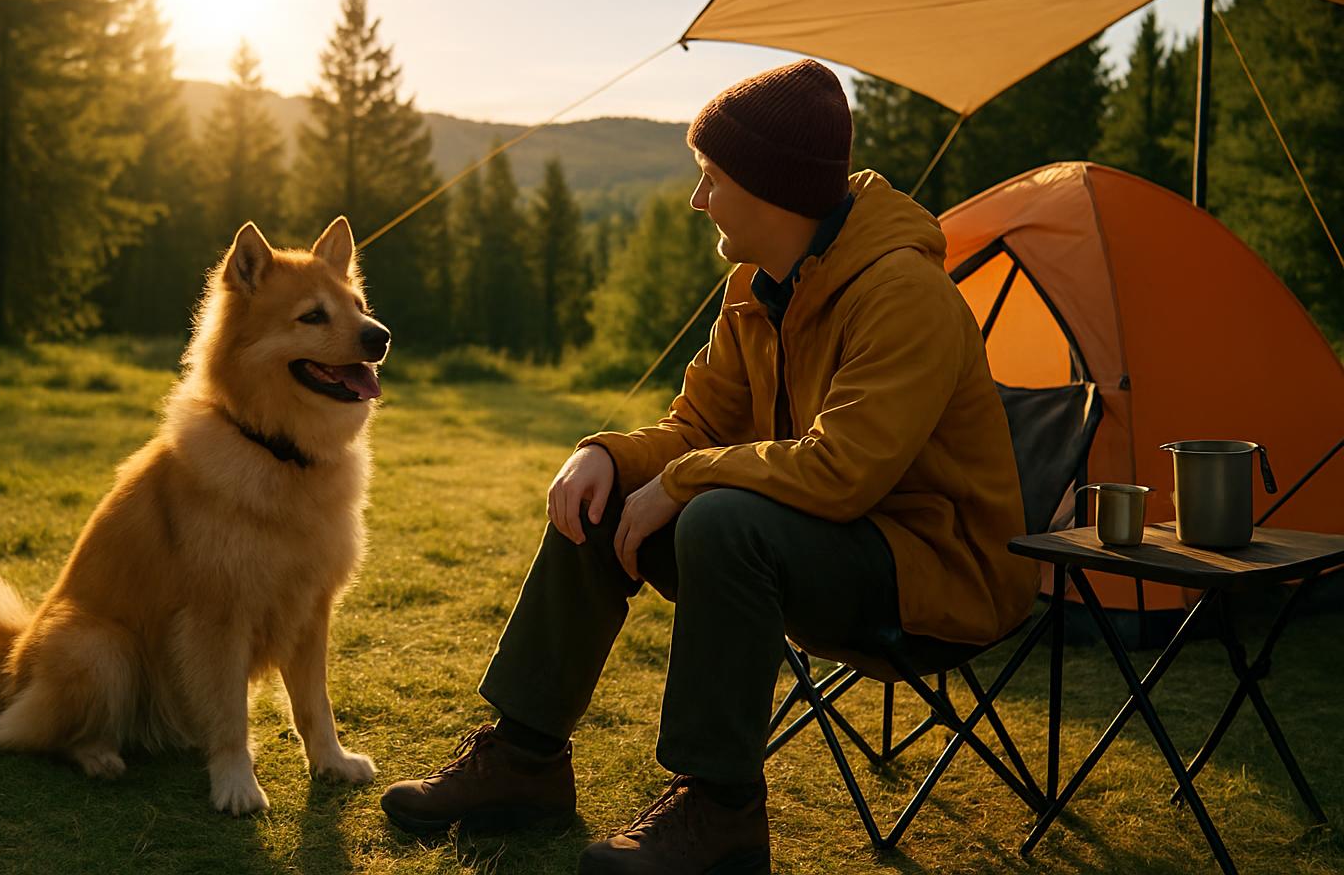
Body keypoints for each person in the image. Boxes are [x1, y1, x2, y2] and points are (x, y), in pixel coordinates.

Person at [379, 58, 1038, 874]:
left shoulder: (903, 293)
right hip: (818, 544)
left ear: (771, 187)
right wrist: (605, 455)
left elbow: (843, 473)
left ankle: (721, 811)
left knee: (726, 518)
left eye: (711, 178)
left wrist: (685, 481)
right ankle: (524, 760)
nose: (697, 200)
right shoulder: (754, 288)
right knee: (608, 494)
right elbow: (696, 425)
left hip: (932, 573)